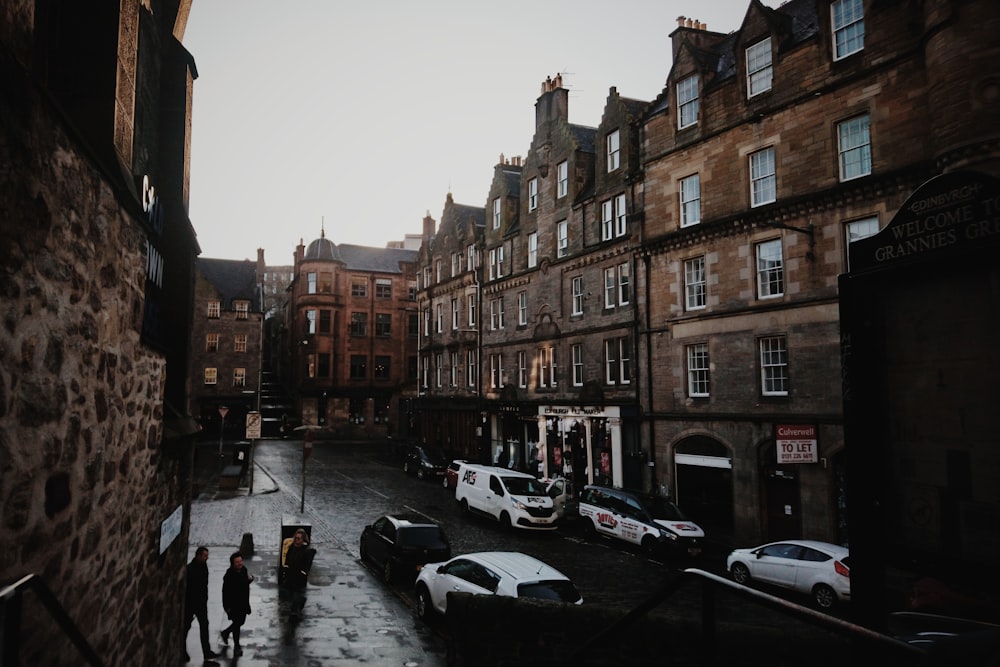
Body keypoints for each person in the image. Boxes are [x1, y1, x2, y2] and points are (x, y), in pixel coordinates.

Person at [183, 547, 218, 663]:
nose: (206, 558)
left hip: (201, 603)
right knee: (186, 627)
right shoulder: (190, 570)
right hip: (191, 604)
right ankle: (182, 650)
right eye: (204, 556)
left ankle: (206, 651)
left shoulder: (204, 566)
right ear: (198, 556)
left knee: (204, 625)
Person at [220, 551, 254, 656]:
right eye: (237, 562)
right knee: (237, 626)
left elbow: (244, 582)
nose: (240, 563)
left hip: (243, 603)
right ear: (232, 563)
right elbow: (225, 592)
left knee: (240, 622)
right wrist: (227, 607)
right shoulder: (229, 576)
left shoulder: (244, 570)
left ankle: (225, 633)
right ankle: (237, 646)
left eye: (240, 561)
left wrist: (251, 579)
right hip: (234, 605)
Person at [281, 529, 316, 620]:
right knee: (290, 594)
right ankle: (299, 604)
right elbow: (287, 559)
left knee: (297, 594)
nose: (296, 540)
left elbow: (307, 565)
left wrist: (303, 573)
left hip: (299, 577)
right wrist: (286, 570)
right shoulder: (292, 547)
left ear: (303, 540)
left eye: (299, 539)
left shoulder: (306, 551)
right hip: (290, 576)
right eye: (296, 538)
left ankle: (294, 612)